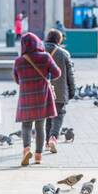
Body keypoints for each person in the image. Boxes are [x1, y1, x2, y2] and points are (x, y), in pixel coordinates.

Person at [13, 31, 60, 165]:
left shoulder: (19, 61)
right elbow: (57, 73)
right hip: (42, 96)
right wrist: (46, 75)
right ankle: (38, 156)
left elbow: (17, 80)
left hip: (26, 97)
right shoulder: (45, 57)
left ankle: (27, 150)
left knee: (26, 125)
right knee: (40, 126)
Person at [43, 27, 76, 153]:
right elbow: (70, 75)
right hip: (60, 90)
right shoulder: (64, 54)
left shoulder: (40, 51)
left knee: (48, 116)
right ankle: (53, 138)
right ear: (59, 40)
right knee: (59, 114)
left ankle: (47, 143)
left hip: (43, 90)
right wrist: (72, 91)